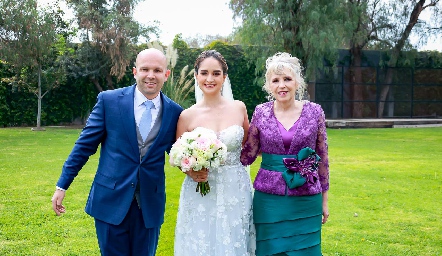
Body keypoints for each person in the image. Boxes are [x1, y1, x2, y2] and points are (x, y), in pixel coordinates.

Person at [51, 48, 183, 256]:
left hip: (149, 204)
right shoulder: (109, 101)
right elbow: (84, 145)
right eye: (145, 69)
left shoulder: (175, 112)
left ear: (166, 74)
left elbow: (180, 153)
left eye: (157, 70)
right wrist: (62, 185)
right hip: (110, 201)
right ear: (134, 72)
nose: (150, 75)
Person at [240, 52, 329, 256]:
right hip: (269, 200)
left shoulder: (315, 111)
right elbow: (248, 155)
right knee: (269, 250)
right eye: (276, 80)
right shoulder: (261, 112)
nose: (282, 85)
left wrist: (324, 200)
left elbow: (322, 156)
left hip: (306, 198)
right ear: (269, 86)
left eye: (287, 79)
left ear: (297, 82)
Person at [173, 50, 255, 255]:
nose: (210, 79)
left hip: (235, 187)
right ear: (196, 76)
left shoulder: (239, 108)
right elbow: (178, 156)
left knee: (235, 238)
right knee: (201, 240)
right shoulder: (187, 116)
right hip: (201, 187)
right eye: (204, 73)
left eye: (216, 73)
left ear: (224, 77)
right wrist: (191, 172)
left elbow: (249, 146)